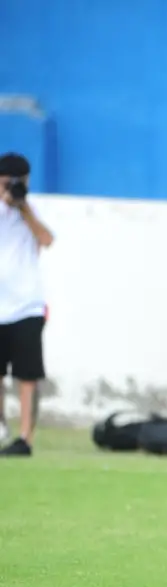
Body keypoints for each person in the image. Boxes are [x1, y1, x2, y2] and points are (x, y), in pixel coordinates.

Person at [0, 152, 54, 457]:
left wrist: (23, 209)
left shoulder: (33, 209)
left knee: (27, 375)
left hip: (27, 306)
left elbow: (46, 239)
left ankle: (25, 438)